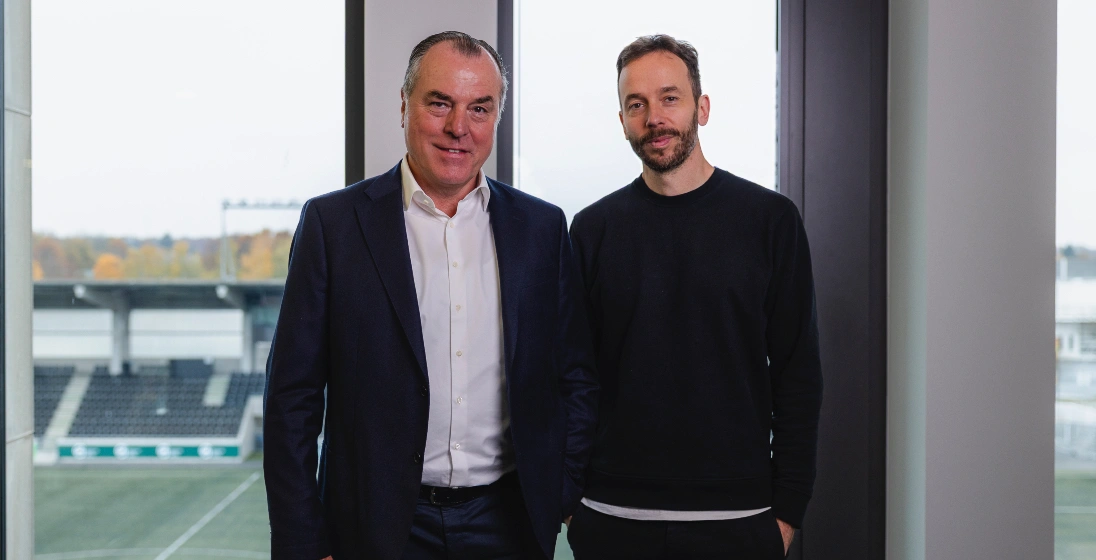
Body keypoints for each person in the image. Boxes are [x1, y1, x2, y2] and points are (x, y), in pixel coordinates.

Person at [263, 31, 598, 560]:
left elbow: (575, 376)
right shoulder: (334, 225)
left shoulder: (542, 228)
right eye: (440, 103)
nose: (458, 128)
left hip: (509, 524)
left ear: (496, 118)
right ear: (403, 105)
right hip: (374, 527)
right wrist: (303, 541)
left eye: (479, 109)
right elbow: (291, 399)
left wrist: (558, 492)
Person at [566, 34, 823, 559]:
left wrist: (788, 511)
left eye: (669, 97)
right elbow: (573, 376)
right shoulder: (592, 230)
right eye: (635, 104)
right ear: (622, 121)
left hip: (738, 520)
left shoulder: (770, 222)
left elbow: (798, 373)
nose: (653, 117)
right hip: (612, 517)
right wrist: (571, 501)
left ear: (701, 107)